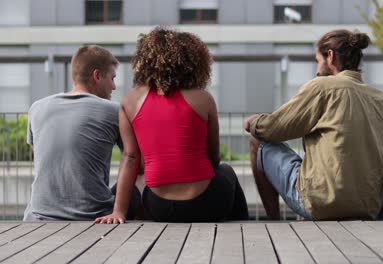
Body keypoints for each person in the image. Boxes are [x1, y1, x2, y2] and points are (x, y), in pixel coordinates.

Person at [244, 29, 383, 222]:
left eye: (317, 61)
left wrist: (254, 122)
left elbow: (274, 128)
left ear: (330, 56)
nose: (316, 69)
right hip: (367, 207)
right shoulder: (381, 100)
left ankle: (273, 220)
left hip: (319, 204)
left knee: (257, 140)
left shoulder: (320, 87)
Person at [95, 27, 249, 224]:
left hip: (159, 207)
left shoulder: (129, 101)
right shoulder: (204, 99)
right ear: (194, 64)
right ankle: (243, 228)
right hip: (207, 204)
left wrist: (118, 211)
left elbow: (131, 157)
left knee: (143, 180)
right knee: (226, 170)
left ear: (144, 63)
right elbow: (213, 158)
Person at [24, 45, 141, 221]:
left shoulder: (37, 108)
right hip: (93, 215)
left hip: (37, 216)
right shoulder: (114, 111)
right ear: (97, 76)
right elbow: (136, 161)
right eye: (112, 78)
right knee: (144, 182)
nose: (114, 86)